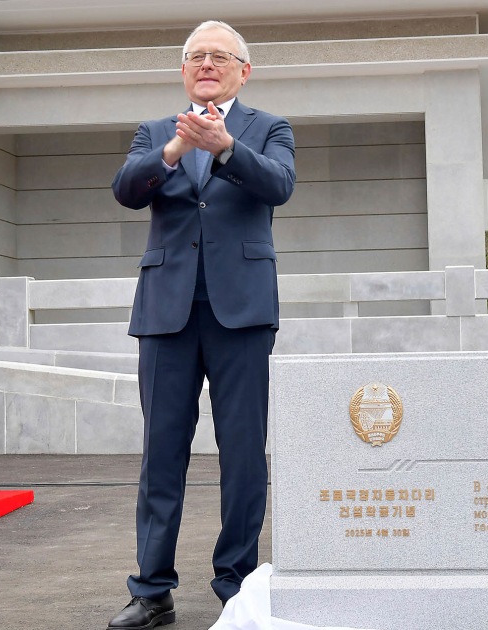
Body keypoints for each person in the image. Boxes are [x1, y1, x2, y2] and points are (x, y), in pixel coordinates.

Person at [107, 20, 296, 630]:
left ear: (245, 70)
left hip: (240, 310)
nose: (207, 64)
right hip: (166, 312)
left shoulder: (268, 128)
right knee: (162, 451)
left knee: (243, 452)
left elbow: (279, 185)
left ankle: (236, 584)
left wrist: (223, 146)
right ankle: (151, 588)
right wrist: (175, 151)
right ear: (183, 70)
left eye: (220, 56)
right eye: (196, 57)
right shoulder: (157, 132)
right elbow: (127, 189)